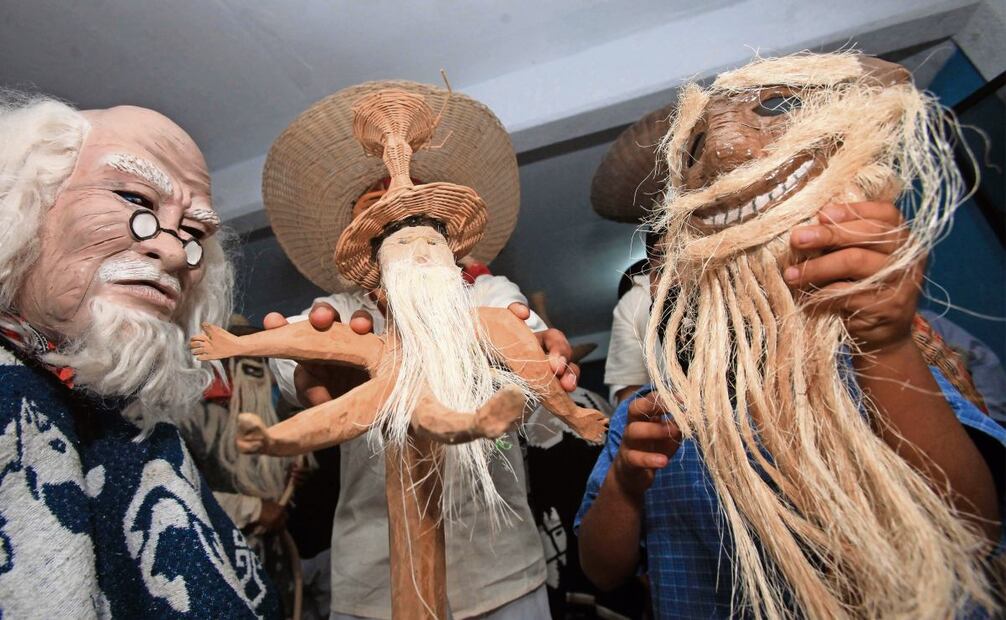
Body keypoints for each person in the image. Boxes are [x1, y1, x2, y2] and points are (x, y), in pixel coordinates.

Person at [578, 53, 1005, 618]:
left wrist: (886, 344)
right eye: (660, 261)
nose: (668, 276)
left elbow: (972, 529)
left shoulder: (863, 363)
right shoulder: (647, 419)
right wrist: (627, 483)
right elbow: (601, 571)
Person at [253, 80, 579, 619]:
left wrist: (537, 358)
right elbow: (298, 349)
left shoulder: (487, 294)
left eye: (414, 218)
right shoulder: (344, 309)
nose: (398, 224)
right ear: (363, 240)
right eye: (379, 216)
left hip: (499, 570)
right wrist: (312, 372)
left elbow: (527, 338)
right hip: (373, 581)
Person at [0, 95, 279, 617]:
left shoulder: (136, 422)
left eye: (193, 233)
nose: (173, 253)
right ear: (24, 195)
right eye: (134, 198)